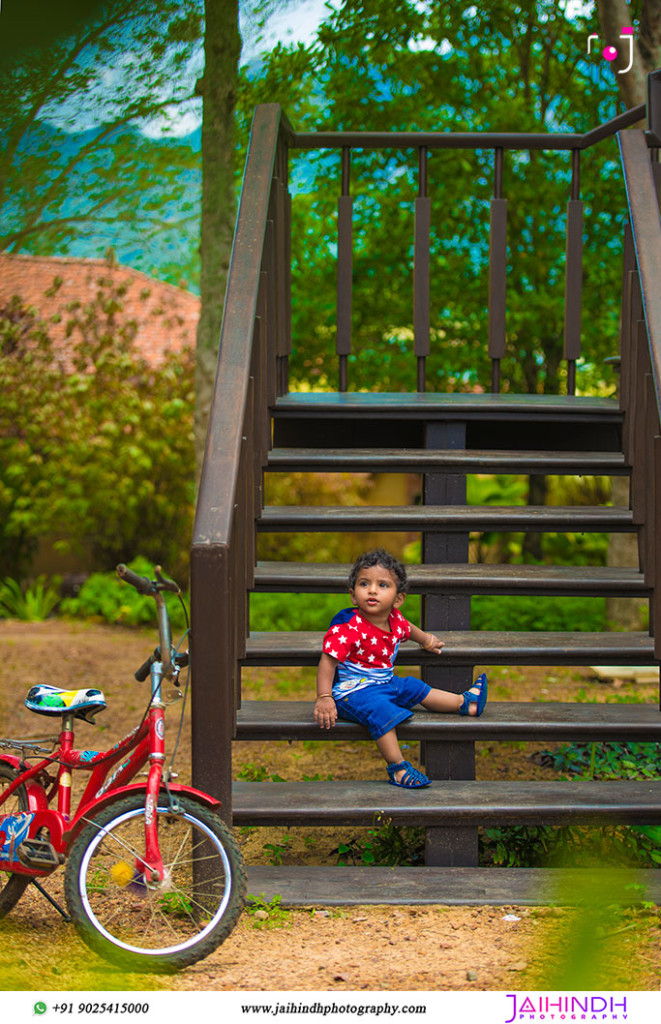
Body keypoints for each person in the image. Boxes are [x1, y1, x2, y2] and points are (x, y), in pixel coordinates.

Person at [313, 548, 487, 788]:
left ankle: (464, 703)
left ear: (398, 598)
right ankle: (398, 768)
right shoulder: (348, 627)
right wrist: (324, 696)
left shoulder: (395, 620)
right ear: (353, 595)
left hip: (385, 683)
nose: (372, 590)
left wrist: (426, 640)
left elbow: (410, 629)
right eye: (365, 584)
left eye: (383, 585)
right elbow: (327, 662)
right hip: (353, 692)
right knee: (381, 710)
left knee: (414, 686)